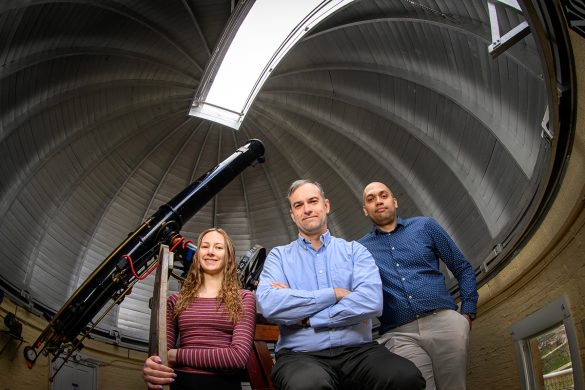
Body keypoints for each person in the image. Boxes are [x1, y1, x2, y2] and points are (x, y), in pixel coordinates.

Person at [256, 179, 425, 390]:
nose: (307, 209)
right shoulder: (278, 257)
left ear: (326, 206)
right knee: (309, 386)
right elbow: (269, 305)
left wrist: (308, 317)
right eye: (298, 205)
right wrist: (334, 294)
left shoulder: (356, 251)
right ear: (293, 215)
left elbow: (371, 302)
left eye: (313, 201)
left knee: (405, 376)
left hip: (359, 351)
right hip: (300, 356)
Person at [358, 181, 479, 390]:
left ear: (394, 202)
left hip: (444, 322)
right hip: (399, 334)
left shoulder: (425, 226)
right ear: (365, 211)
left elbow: (462, 268)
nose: (378, 201)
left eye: (383, 195)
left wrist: (467, 314)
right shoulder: (359, 249)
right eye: (371, 199)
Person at [143, 228, 256, 390]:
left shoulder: (244, 298)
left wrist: (176, 355)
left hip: (223, 385)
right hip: (180, 382)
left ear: (229, 257)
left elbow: (237, 357)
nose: (210, 252)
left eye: (218, 247)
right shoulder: (175, 300)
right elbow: (162, 356)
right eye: (205, 246)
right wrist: (153, 367)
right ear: (197, 255)